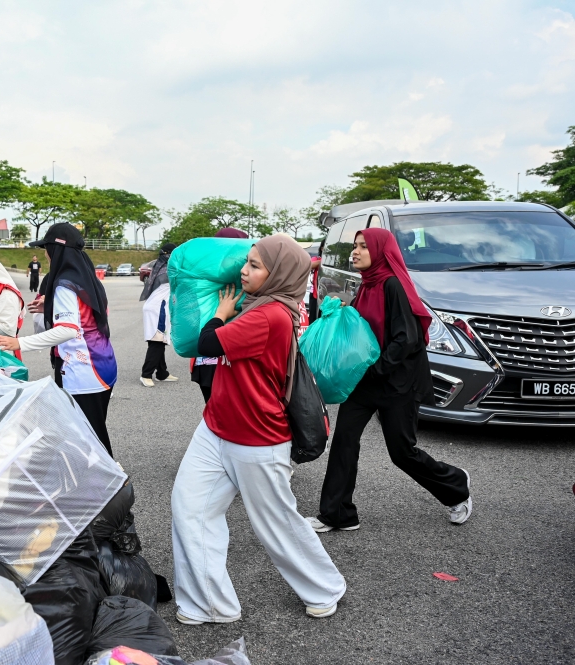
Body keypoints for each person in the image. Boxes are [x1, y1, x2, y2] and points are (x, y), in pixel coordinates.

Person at [172, 234, 346, 624]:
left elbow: (207, 343)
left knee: (276, 522)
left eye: (255, 266)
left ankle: (324, 588)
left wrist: (220, 313)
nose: (243, 271)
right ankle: (209, 603)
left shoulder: (269, 315)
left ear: (279, 274)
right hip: (216, 427)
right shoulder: (255, 304)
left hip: (257, 437)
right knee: (190, 508)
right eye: (245, 262)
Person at [308, 228, 472, 532]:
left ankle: (456, 485)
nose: (355, 252)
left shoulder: (392, 285)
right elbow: (364, 330)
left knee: (402, 453)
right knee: (344, 440)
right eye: (355, 246)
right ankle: (338, 514)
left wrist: (376, 369)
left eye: (363, 247)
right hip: (367, 379)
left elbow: (406, 338)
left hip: (398, 382)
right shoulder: (366, 284)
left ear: (381, 251)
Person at [0, 223, 118, 456]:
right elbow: (86, 316)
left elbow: (68, 330)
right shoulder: (87, 278)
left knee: (89, 440)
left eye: (46, 249)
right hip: (103, 363)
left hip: (84, 370)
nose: (45, 255)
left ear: (56, 250)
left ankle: (110, 477)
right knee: (92, 433)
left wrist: (20, 343)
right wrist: (51, 307)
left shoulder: (64, 284)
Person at [190, 228, 249, 402]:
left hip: (204, 361)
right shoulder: (247, 277)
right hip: (229, 360)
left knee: (213, 411)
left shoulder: (200, 274)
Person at [140, 243, 178, 387]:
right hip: (158, 309)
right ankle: (146, 374)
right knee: (157, 341)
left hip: (155, 307)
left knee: (158, 341)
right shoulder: (169, 269)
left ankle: (162, 373)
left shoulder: (160, 266)